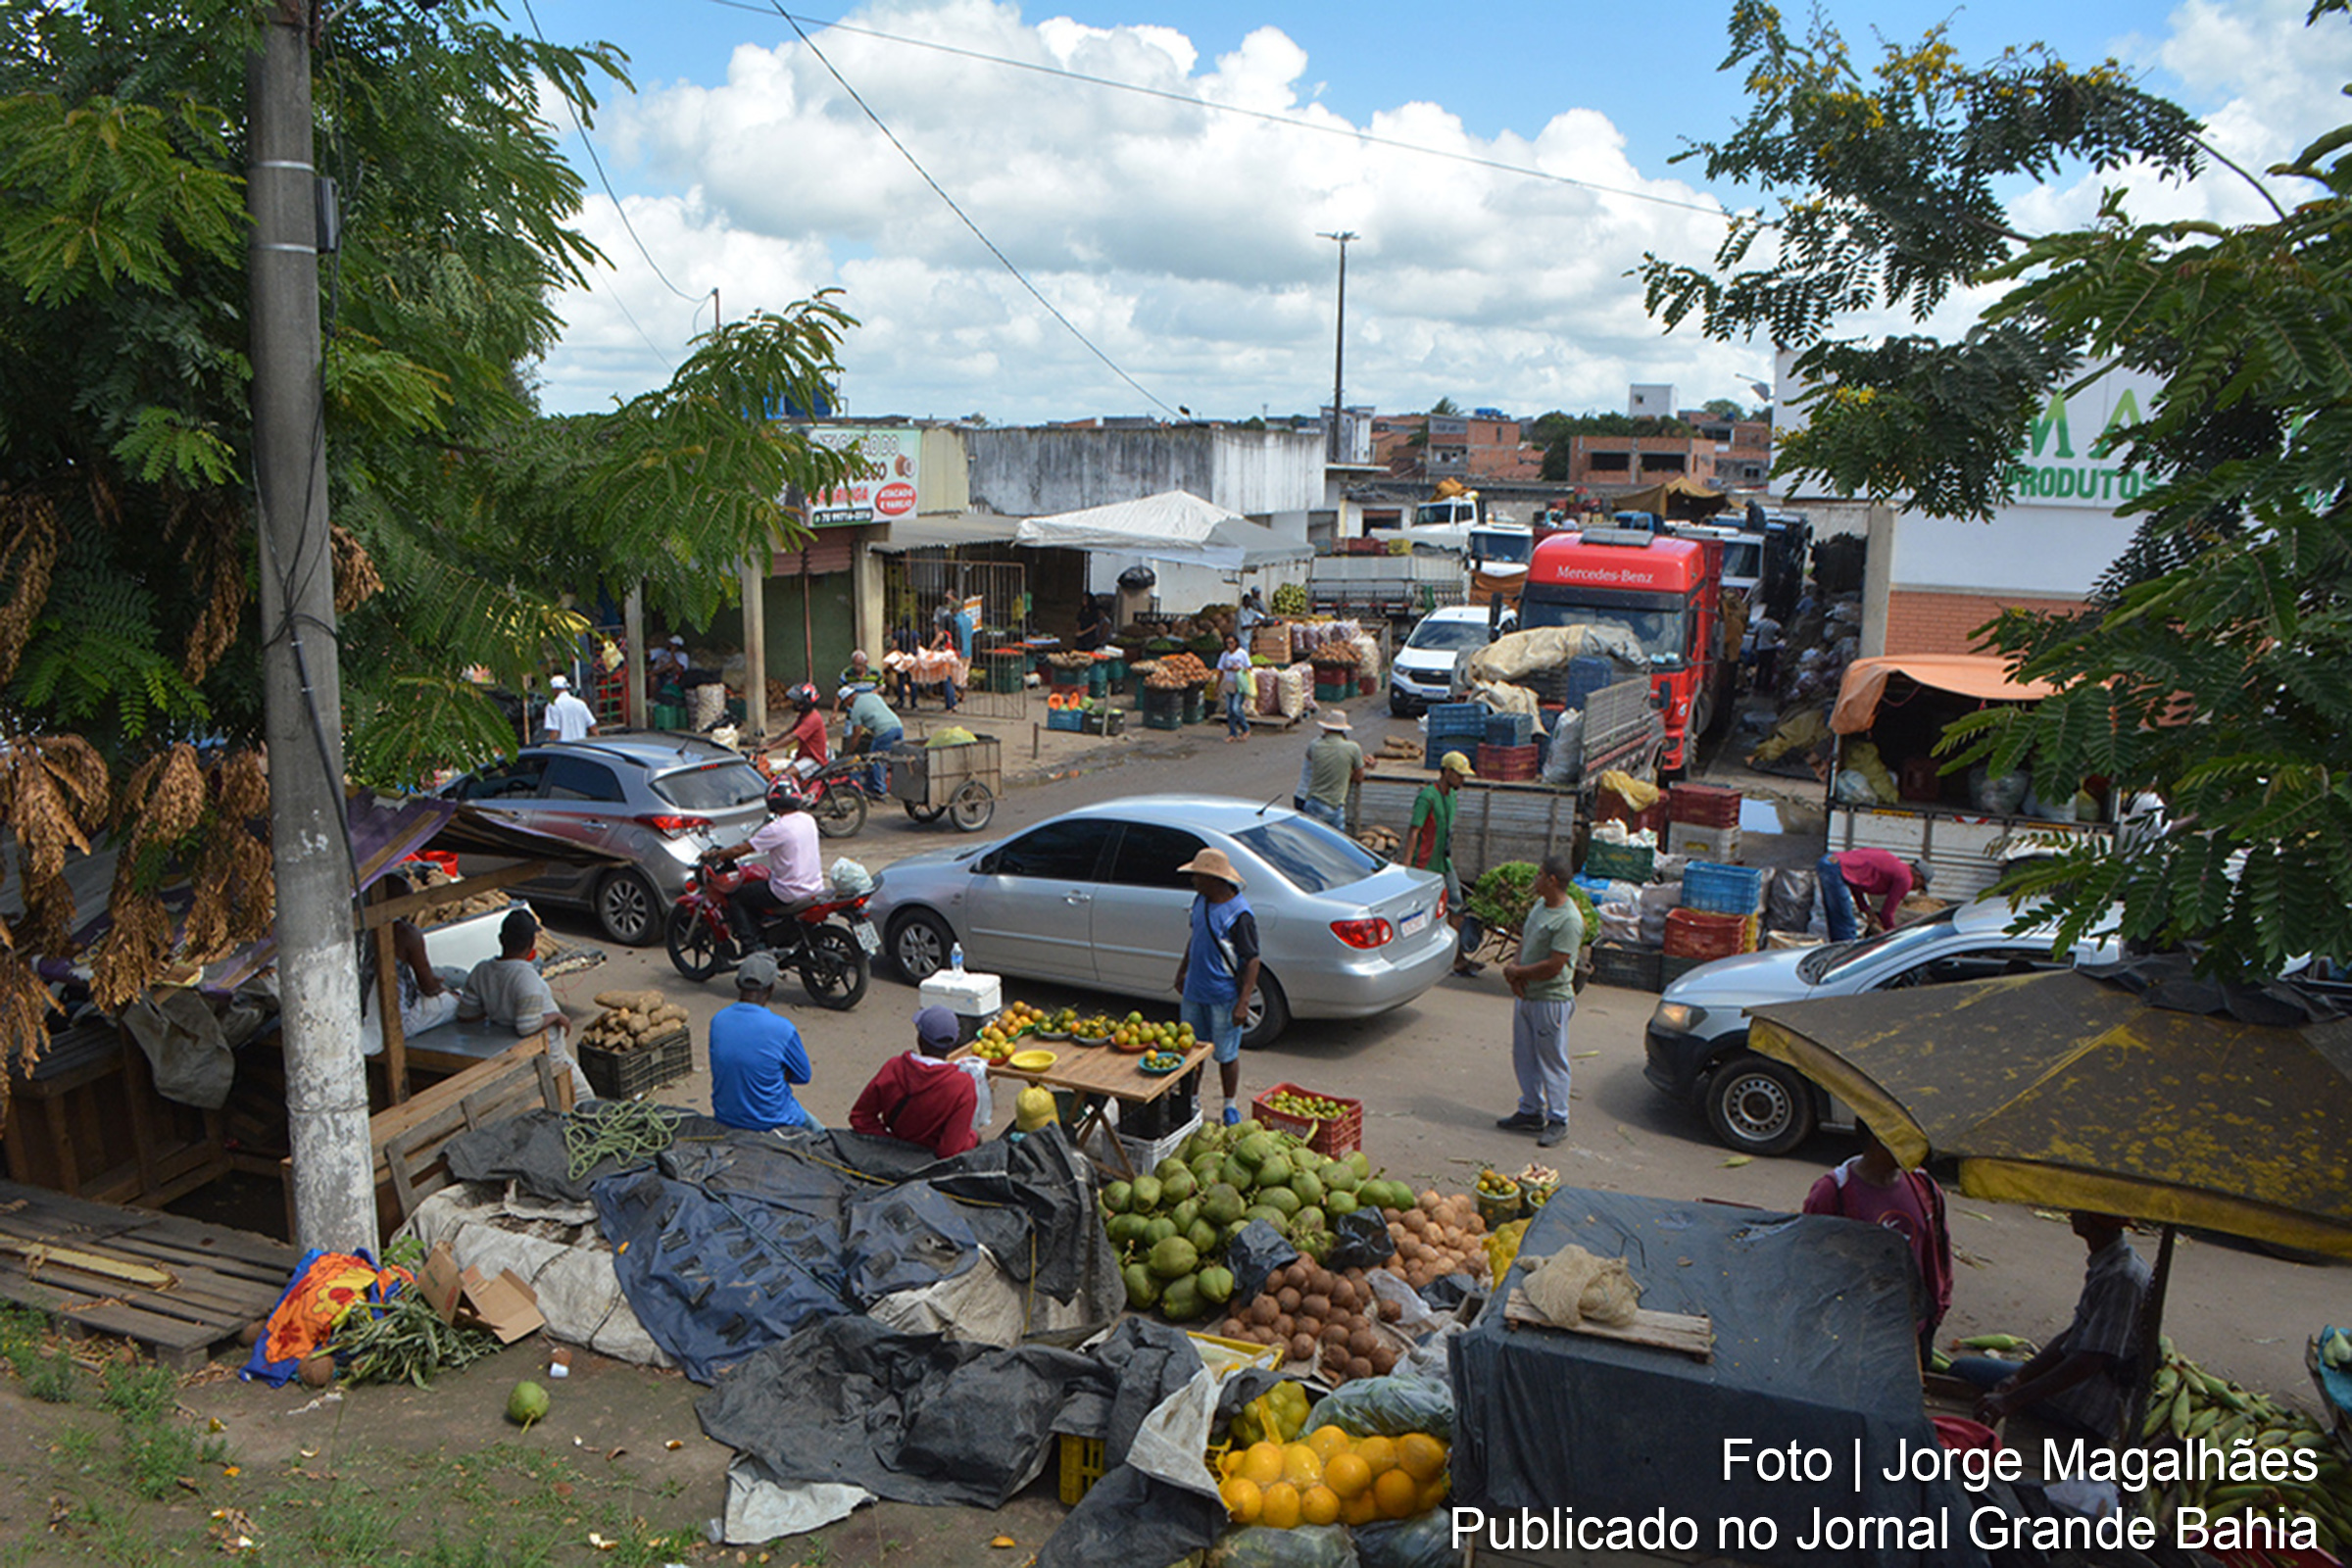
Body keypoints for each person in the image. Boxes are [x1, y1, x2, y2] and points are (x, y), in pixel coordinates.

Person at [1956, 1212, 2151, 1443]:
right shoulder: (2111, 1263)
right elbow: (2074, 1335)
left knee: (1963, 1370)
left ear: (2091, 1222)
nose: (2072, 1213)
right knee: (1990, 1376)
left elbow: (2091, 1360)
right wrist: (2019, 1377)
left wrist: (2012, 1400)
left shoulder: (2122, 1278)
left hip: (2086, 1405)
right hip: (2081, 1384)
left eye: (2080, 1209)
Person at [1802, 1122, 1953, 1362]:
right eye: (1906, 1141)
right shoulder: (1833, 1193)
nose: (1916, 1149)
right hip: (1855, 1332)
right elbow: (1809, 1263)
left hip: (1913, 1329)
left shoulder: (1924, 1187)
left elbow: (1939, 1249)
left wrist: (1938, 1306)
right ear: (1878, 1139)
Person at [1497, 856, 1582, 1149]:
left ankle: (1558, 1118)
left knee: (1552, 1059)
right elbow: (1526, 940)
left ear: (1553, 880)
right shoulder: (1540, 906)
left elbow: (1555, 965)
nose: (1535, 879)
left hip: (1550, 1000)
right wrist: (1515, 973)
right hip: (1527, 995)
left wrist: (1519, 972)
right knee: (1524, 1055)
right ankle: (1530, 1110)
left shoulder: (1569, 921)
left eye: (1540, 875)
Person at [456, 908, 586, 1096]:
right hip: (548, 1057)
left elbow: (465, 1015)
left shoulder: (481, 970)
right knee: (583, 1098)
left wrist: (495, 1007)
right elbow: (527, 1025)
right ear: (532, 943)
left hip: (515, 1053)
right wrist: (557, 1016)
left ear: (501, 939)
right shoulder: (525, 977)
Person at [1171, 848, 1258, 1125]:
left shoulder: (1239, 915)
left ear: (1214, 880)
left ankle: (1229, 1105)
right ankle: (1191, 1100)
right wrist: (1182, 970)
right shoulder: (1200, 901)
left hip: (1223, 996)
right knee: (1192, 1052)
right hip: (1195, 993)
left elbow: (1253, 960)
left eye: (1198, 876)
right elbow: (1195, 937)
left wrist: (1243, 1002)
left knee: (1226, 1054)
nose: (1194, 881)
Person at [708, 953, 819, 1133]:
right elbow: (803, 1076)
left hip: (725, 1116)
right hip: (774, 1121)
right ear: (772, 988)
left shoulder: (718, 1020)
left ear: (738, 984)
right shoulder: (782, 1028)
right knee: (821, 1133)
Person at [849, 1004, 980, 1158]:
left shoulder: (894, 1067)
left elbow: (860, 1117)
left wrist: (890, 1142)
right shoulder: (962, 1085)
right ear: (953, 1044)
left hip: (890, 1155)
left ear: (920, 1039)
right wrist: (973, 1138)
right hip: (927, 1164)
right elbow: (950, 1151)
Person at [705, 783, 825, 948]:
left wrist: (716, 854)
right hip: (815, 887)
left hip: (788, 892)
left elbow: (740, 850)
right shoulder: (808, 819)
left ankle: (751, 945)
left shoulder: (777, 829)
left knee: (736, 897)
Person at [1410, 751, 1480, 976]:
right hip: (1425, 863)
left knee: (1457, 904)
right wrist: (1406, 868)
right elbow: (1414, 831)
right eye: (1459, 775)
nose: (1462, 780)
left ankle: (1456, 957)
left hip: (1444, 861)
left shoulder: (1451, 797)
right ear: (1447, 772)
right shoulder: (1427, 797)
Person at [382, 872, 465, 1039]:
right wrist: (441, 987)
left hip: (366, 1019)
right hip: (397, 1023)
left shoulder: (361, 930)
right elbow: (429, 988)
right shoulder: (406, 933)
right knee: (458, 1002)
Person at [1818, 849, 1932, 942]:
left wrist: (1866, 910)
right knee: (1845, 924)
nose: (1915, 889)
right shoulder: (1905, 879)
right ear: (1918, 875)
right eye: (1920, 885)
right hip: (1835, 868)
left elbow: (1856, 884)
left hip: (1830, 861)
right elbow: (1887, 913)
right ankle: (1843, 961)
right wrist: (1894, 936)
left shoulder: (1896, 865)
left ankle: (1836, 952)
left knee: (1837, 918)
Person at [1298, 711, 1364, 830]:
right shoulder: (1353, 748)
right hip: (1335, 804)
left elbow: (1312, 763)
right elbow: (1359, 777)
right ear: (1343, 730)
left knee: (1311, 839)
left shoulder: (1314, 745)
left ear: (1326, 729)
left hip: (1313, 801)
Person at [844, 681, 903, 796]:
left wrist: (850, 751)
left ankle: (879, 788)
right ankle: (898, 785)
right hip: (898, 726)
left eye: (846, 702)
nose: (847, 705)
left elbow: (856, 734)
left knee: (877, 759)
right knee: (896, 759)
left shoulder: (855, 709)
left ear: (849, 698)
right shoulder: (872, 696)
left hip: (884, 731)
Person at [781, 683, 828, 776]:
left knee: (785, 776)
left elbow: (792, 737)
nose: (795, 704)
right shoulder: (804, 716)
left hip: (813, 759)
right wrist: (768, 743)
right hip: (803, 756)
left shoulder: (812, 718)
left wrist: (770, 748)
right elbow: (790, 731)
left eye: (799, 702)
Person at [1216, 633, 1253, 742]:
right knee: (1229, 710)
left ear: (1236, 643)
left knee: (1236, 708)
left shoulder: (1242, 653)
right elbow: (1220, 671)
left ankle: (1245, 729)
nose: (1229, 645)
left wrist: (1240, 669)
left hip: (1240, 685)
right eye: (1227, 643)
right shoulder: (1224, 655)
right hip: (1229, 684)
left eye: (1231, 642)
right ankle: (1232, 732)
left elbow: (1249, 668)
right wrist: (1217, 687)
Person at [542, 673, 597, 742]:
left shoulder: (553, 706)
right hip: (581, 746)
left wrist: (549, 745)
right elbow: (593, 727)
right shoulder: (580, 704)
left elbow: (555, 731)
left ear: (554, 689)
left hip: (564, 749)